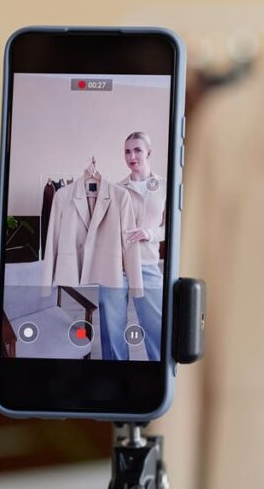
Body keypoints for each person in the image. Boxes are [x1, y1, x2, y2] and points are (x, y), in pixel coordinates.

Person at [97, 131, 166, 361]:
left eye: (137, 150)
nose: (132, 155)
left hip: (147, 265)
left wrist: (149, 233)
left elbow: (171, 229)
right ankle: (115, 378)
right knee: (112, 328)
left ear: (149, 152)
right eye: (127, 151)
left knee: (157, 327)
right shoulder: (117, 189)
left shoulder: (165, 187)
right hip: (117, 266)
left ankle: (159, 376)